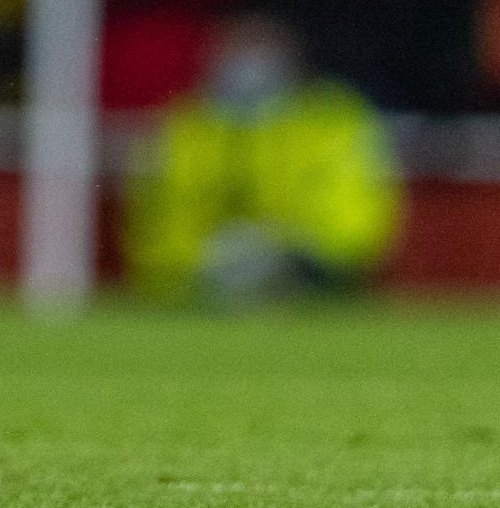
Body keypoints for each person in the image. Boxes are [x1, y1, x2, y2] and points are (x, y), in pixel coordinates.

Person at [123, 15, 402, 304]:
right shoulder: (182, 129)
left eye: (263, 48)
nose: (250, 61)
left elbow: (356, 222)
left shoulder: (332, 122)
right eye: (239, 48)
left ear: (293, 58)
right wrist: (208, 261)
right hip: (199, 297)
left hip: (311, 290)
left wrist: (289, 254)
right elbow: (158, 231)